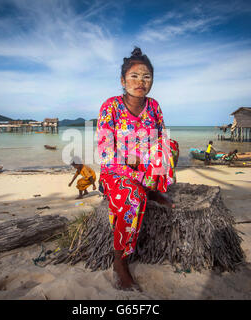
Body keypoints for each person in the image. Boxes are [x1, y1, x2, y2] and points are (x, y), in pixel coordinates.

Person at [97, 47, 179, 291]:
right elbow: (105, 153)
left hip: (141, 165)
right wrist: (134, 169)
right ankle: (119, 261)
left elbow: (160, 139)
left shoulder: (154, 106)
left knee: (169, 145)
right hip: (116, 170)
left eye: (146, 76)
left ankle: (151, 189)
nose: (140, 82)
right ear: (123, 81)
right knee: (133, 196)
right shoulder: (110, 106)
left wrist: (142, 157)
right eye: (134, 76)